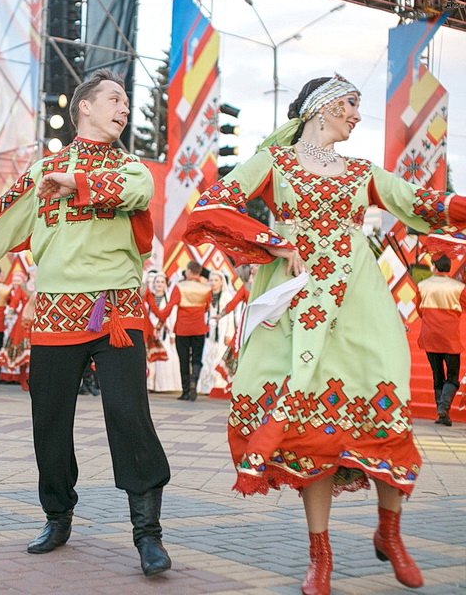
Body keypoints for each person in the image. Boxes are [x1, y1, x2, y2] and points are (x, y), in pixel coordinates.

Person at [180, 74, 463, 593]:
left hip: (360, 306)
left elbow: (424, 204)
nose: (358, 115)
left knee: (385, 409)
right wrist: (274, 242)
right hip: (297, 306)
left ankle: (391, 533)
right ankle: (320, 555)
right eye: (351, 105)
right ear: (321, 107)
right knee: (314, 428)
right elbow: (212, 206)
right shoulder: (276, 162)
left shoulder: (363, 171)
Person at [0, 69, 172, 577]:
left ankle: (147, 533)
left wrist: (76, 183)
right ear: (84, 107)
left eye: (127, 102)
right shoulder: (40, 173)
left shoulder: (130, 168)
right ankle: (58, 516)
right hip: (56, 310)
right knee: (49, 421)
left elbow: (139, 192)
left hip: (116, 309)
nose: (124, 109)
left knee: (129, 415)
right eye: (115, 100)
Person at [416, 253, 466, 427]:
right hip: (449, 338)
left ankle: (441, 411)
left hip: (430, 336)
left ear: (434, 266)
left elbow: (420, 311)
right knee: (452, 377)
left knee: (437, 375)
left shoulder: (422, 285)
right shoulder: (458, 287)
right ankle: (443, 410)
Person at [154, 260, 211, 401]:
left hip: (182, 329)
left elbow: (169, 306)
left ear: (189, 271)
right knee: (197, 359)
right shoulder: (206, 289)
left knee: (184, 360)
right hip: (199, 329)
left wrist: (160, 321)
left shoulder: (179, 287)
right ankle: (194, 382)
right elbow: (207, 307)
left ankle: (185, 391)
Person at [197, 270, 236, 397]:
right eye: (211, 280)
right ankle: (206, 386)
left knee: (219, 355)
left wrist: (228, 333)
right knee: (207, 356)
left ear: (221, 282)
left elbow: (230, 316)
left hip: (222, 330)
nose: (213, 283)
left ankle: (218, 385)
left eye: (216, 280)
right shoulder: (206, 294)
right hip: (209, 330)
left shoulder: (226, 296)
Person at [143, 272, 181, 393]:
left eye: (162, 282)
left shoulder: (169, 298)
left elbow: (172, 316)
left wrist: (171, 334)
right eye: (157, 282)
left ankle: (164, 386)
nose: (159, 284)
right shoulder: (148, 298)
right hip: (150, 331)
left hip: (165, 331)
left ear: (166, 284)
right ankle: (150, 385)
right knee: (150, 358)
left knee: (167, 358)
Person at [0, 270, 32, 390]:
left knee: (35, 350)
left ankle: (32, 379)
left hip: (38, 320)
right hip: (24, 321)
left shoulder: (41, 285)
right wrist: (9, 313)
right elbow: (15, 301)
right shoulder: (23, 287)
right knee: (22, 349)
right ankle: (23, 379)